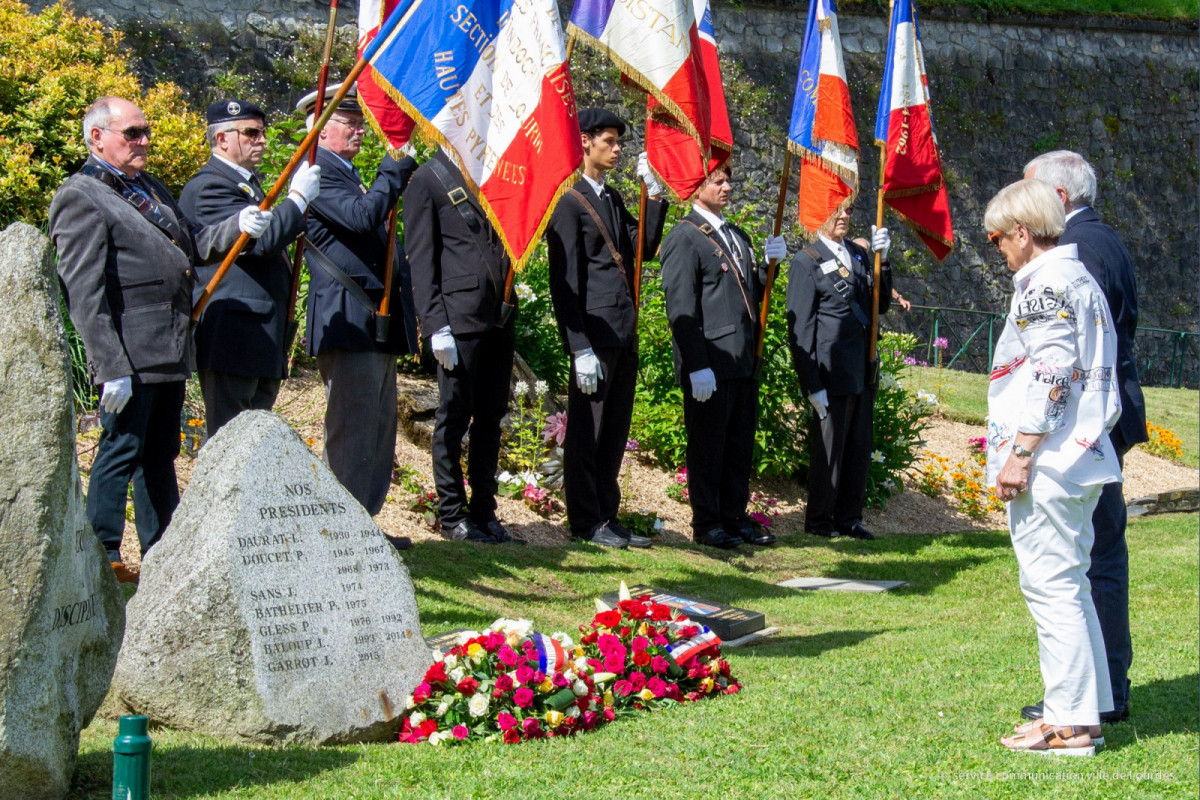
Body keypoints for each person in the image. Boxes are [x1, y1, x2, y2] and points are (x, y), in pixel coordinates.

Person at [50, 96, 272, 582]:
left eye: (145, 131)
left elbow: (191, 243)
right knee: (121, 448)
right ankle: (101, 553)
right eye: (132, 133)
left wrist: (238, 227)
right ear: (98, 138)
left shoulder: (148, 187)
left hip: (170, 345)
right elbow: (84, 292)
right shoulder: (81, 194)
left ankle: (163, 551)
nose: (144, 140)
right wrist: (109, 366)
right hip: (129, 350)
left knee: (159, 453)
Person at [984, 178, 1122, 755]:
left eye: (996, 239)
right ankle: (1089, 708)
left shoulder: (1042, 284)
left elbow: (1052, 369)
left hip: (1051, 458)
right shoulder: (1078, 275)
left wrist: (1020, 452)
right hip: (1081, 454)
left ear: (1021, 232)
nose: (997, 250)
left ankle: (1066, 721)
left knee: (1051, 587)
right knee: (1072, 584)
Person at [1022, 150, 1146, 725]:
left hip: (1083, 428)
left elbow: (1068, 354)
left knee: (1083, 559)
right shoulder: (1103, 239)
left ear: (1060, 198)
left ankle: (1095, 692)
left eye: (1032, 194)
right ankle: (1100, 686)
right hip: (1099, 421)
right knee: (1095, 553)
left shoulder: (1080, 251)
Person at [544, 108, 667, 549]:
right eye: (609, 142)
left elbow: (642, 250)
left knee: (613, 430)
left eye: (619, 142)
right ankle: (584, 519)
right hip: (593, 334)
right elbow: (565, 283)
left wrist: (652, 197)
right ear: (585, 143)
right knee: (587, 431)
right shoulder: (569, 203)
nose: (617, 150)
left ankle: (606, 514)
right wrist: (578, 346)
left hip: (621, 329)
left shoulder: (613, 198)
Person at [299, 86, 421, 524]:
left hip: (371, 319)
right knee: (352, 429)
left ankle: (364, 525)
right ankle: (342, 529)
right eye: (348, 122)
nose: (359, 129)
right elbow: (360, 217)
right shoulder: (316, 173)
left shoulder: (347, 173)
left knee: (377, 429)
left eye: (358, 121)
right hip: (347, 317)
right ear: (319, 127)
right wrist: (395, 166)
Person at [660, 166, 787, 550]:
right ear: (696, 186)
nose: (727, 187)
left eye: (729, 180)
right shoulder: (684, 237)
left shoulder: (736, 234)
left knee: (737, 446)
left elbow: (749, 291)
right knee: (708, 446)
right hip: (710, 364)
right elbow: (680, 307)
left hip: (742, 360)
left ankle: (734, 517)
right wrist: (696, 364)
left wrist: (768, 268)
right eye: (718, 181)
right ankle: (708, 522)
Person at [180, 99, 322, 436]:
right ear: (222, 139)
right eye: (251, 132)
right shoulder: (208, 186)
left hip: (261, 336)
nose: (261, 139)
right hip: (234, 335)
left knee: (254, 444)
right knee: (230, 443)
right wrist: (297, 199)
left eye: (262, 132)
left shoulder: (246, 184)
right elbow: (260, 242)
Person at [404, 147, 522, 544]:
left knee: (491, 420)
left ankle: (484, 512)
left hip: (499, 316)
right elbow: (421, 259)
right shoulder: (428, 177)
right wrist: (435, 324)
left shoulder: (496, 174)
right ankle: (452, 515)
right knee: (453, 419)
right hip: (458, 321)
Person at [786, 204, 891, 540]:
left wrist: (884, 262)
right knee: (829, 451)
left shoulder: (858, 256)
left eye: (847, 209)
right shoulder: (807, 260)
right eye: (835, 210)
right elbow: (800, 328)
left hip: (860, 369)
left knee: (858, 449)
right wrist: (811, 383)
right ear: (819, 216)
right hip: (830, 372)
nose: (844, 216)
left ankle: (849, 518)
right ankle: (819, 519)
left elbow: (881, 304)